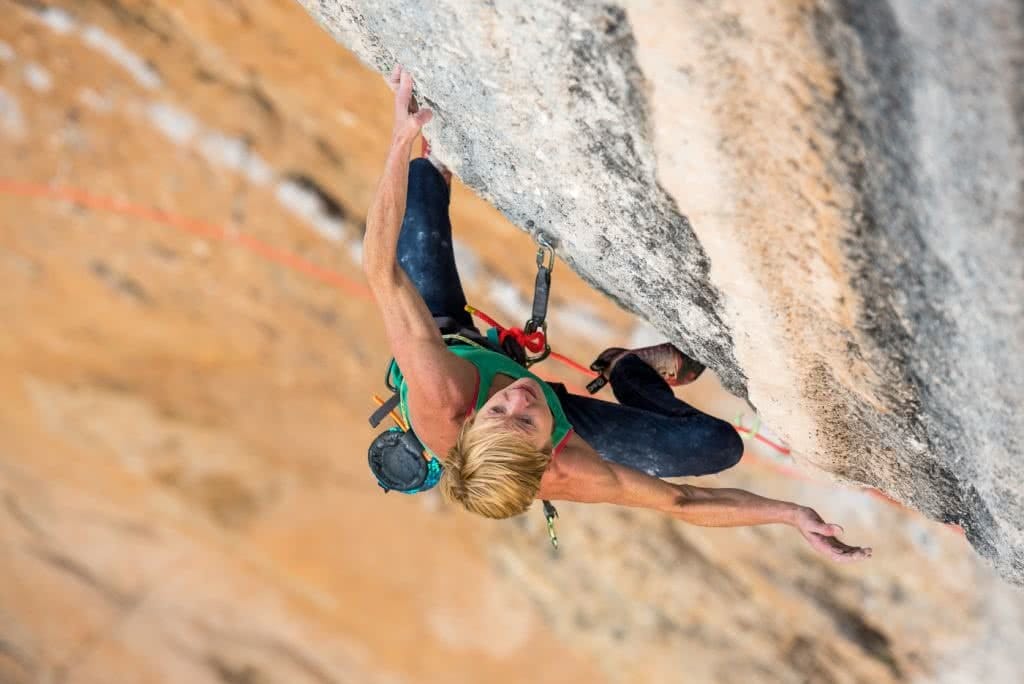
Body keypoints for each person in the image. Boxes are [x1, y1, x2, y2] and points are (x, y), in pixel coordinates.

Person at [362, 66, 871, 563]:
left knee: (425, 182)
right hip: (556, 424)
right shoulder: (569, 469)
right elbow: (682, 502)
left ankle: (431, 158)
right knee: (715, 447)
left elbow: (380, 270)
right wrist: (791, 514)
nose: (518, 397)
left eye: (499, 411)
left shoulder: (440, 394)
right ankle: (633, 370)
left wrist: (400, 140)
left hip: (446, 340)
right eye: (525, 420)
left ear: (473, 423)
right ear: (549, 455)